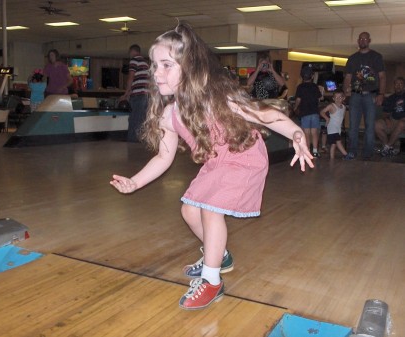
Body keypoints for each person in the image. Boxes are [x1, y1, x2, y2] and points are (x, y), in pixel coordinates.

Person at [110, 22, 314, 311]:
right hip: (215, 162)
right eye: (155, 65)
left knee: (210, 208)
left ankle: (212, 280)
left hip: (244, 157)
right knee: (189, 210)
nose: (157, 73)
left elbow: (265, 115)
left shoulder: (217, 97)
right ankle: (221, 256)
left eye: (166, 64)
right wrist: (135, 182)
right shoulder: (169, 114)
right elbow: (163, 158)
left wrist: (297, 133)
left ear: (189, 66)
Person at [343, 32, 386, 160]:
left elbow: (382, 77)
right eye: (360, 39)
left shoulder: (376, 57)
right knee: (353, 126)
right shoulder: (352, 58)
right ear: (358, 41)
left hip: (370, 96)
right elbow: (348, 77)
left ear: (369, 40)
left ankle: (368, 153)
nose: (362, 40)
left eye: (365, 39)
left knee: (369, 126)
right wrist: (346, 90)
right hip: (355, 96)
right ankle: (352, 151)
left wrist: (381, 94)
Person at [119, 44, 150, 142]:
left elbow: (131, 78)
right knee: (142, 119)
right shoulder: (145, 63)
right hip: (146, 95)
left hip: (138, 95)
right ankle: (141, 142)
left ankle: (132, 142)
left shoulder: (134, 60)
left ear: (132, 51)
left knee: (134, 119)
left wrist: (126, 94)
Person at [293, 66, 324, 158]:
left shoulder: (300, 87)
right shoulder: (315, 86)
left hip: (305, 112)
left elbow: (298, 99)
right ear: (312, 76)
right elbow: (320, 98)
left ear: (302, 76)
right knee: (314, 132)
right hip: (314, 112)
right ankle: (315, 151)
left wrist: (295, 108)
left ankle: (307, 151)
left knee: (306, 132)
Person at [375, 77, 405, 156]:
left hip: (403, 122)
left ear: (404, 86)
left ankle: (387, 147)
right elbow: (386, 113)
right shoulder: (391, 98)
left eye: (401, 84)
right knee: (377, 125)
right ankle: (388, 148)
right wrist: (387, 119)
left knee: (402, 123)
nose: (398, 86)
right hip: (393, 120)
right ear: (394, 86)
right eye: (396, 84)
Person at [319, 89, 349, 159]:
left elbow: (341, 117)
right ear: (333, 98)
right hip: (332, 128)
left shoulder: (344, 107)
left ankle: (332, 159)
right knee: (338, 142)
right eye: (336, 97)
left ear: (343, 98)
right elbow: (322, 112)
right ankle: (346, 155)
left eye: (340, 97)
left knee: (333, 144)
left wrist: (341, 126)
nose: (338, 99)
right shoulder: (332, 106)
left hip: (337, 128)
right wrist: (327, 118)